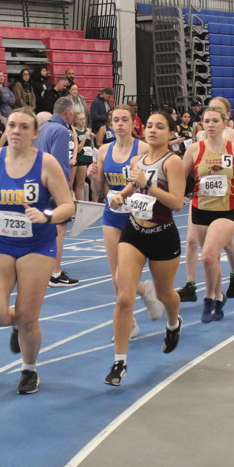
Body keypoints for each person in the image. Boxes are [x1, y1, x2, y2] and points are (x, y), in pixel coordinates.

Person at [0, 109, 75, 394]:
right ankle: (20, 322)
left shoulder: (46, 163)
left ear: (35, 133)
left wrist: (47, 216)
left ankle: (29, 369)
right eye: (12, 125)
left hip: (37, 245)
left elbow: (68, 205)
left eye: (24, 127)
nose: (16, 131)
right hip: (1, 244)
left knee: (29, 318)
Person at [104, 110, 186, 386]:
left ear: (170, 133)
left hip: (162, 235)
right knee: (123, 297)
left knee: (165, 294)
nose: (152, 130)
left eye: (159, 127)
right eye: (149, 125)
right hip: (134, 233)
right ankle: (119, 362)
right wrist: (120, 197)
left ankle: (173, 323)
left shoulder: (173, 162)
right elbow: (132, 187)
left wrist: (148, 184)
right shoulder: (137, 160)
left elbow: (177, 203)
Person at [86, 105, 162, 340]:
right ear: (110, 124)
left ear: (132, 124)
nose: (119, 124)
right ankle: (129, 321)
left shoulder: (144, 149)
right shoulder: (103, 150)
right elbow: (98, 189)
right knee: (116, 275)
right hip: (112, 214)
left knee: (127, 275)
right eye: (115, 120)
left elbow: (155, 184)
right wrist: (92, 177)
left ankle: (146, 291)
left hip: (137, 216)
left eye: (124, 120)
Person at [184, 106, 234, 324]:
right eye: (206, 121)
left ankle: (209, 298)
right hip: (201, 209)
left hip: (227, 210)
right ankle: (219, 295)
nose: (210, 125)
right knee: (212, 259)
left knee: (208, 255)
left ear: (224, 123)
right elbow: (179, 175)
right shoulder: (194, 150)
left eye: (215, 121)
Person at [177, 97, 234, 303]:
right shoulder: (199, 138)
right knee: (192, 241)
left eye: (217, 115)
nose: (211, 122)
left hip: (224, 202)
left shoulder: (232, 137)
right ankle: (191, 284)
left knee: (224, 246)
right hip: (201, 200)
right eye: (207, 118)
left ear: (225, 117)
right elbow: (183, 169)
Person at [35, 97, 79, 287]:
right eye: (73, 111)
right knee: (59, 229)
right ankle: (55, 273)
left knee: (44, 229)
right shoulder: (61, 130)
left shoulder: (43, 128)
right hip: (52, 186)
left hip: (39, 184)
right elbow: (60, 163)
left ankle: (42, 270)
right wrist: (65, 189)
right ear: (68, 111)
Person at [71, 111, 95, 201]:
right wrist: (85, 137)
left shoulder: (87, 130)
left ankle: (94, 203)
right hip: (81, 159)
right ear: (76, 120)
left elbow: (91, 147)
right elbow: (78, 149)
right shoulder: (74, 131)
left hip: (89, 157)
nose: (83, 121)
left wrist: (91, 139)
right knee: (80, 184)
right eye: (81, 119)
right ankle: (79, 204)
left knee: (94, 181)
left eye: (84, 119)